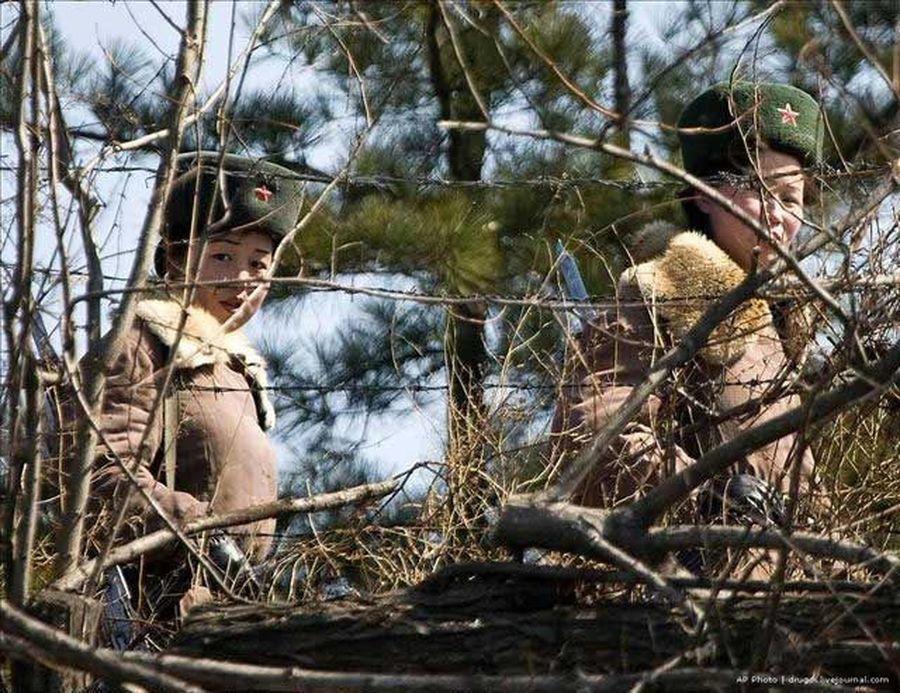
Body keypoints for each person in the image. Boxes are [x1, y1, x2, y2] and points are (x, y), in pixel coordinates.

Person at [551, 81, 826, 576]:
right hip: (678, 606)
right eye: (757, 190)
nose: (778, 216)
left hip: (783, 614)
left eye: (793, 197)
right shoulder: (661, 296)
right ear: (701, 194)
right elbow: (593, 433)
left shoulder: (785, 331)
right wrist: (702, 500)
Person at [62, 152, 304, 644]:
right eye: (222, 257)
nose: (241, 281)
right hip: (150, 621)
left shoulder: (237, 370)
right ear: (174, 257)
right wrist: (202, 533)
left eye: (258, 264)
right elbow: (97, 478)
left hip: (223, 622)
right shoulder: (141, 345)